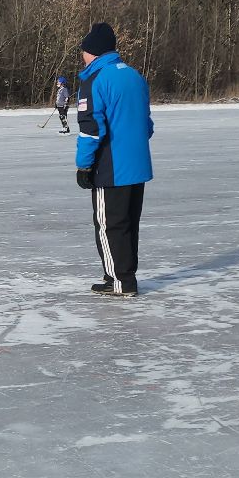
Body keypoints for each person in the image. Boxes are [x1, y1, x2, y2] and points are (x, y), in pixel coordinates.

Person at [73, 22, 153, 298]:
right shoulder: (134, 76)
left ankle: (121, 281)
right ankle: (119, 275)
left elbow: (91, 129)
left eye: (83, 50)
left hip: (112, 166)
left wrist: (84, 165)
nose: (82, 55)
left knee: (109, 224)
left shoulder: (95, 80)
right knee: (128, 224)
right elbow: (147, 125)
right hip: (138, 165)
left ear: (92, 52)